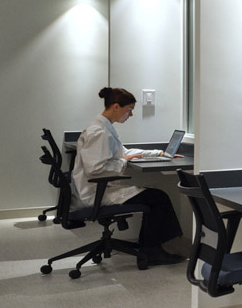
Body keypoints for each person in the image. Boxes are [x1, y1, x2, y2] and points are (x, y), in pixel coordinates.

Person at [73, 87, 183, 264]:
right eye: (129, 110)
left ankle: (149, 247)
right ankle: (152, 251)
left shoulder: (104, 128)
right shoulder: (99, 132)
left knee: (155, 196)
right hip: (95, 193)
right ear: (116, 106)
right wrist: (124, 161)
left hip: (100, 188)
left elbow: (123, 152)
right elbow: (94, 168)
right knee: (158, 198)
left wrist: (158, 153)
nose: (130, 115)